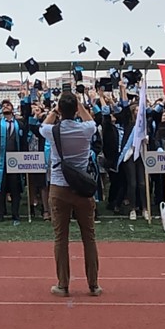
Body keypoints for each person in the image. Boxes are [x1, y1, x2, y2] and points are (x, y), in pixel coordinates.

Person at [40, 91, 102, 297]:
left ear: (60, 110)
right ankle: (93, 285)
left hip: (59, 187)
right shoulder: (86, 130)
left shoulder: (53, 131)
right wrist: (80, 106)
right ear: (75, 109)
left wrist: (55, 110)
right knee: (89, 237)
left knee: (61, 238)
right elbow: (91, 121)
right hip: (82, 189)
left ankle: (63, 284)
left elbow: (43, 126)